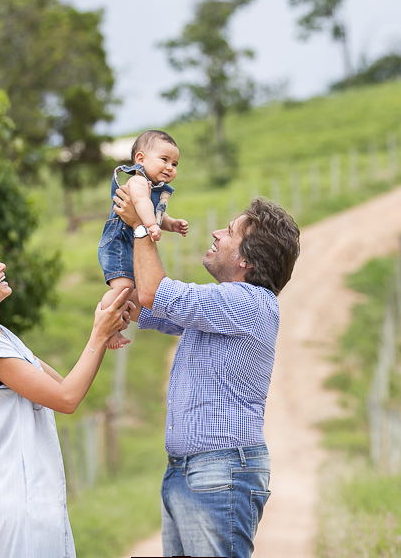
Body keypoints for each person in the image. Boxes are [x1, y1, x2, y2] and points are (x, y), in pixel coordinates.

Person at [112, 187, 301, 558]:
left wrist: (142, 228)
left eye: (230, 232)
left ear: (247, 260)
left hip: (220, 472)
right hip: (191, 471)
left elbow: (153, 294)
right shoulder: (221, 306)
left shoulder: (249, 303)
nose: (216, 234)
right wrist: (123, 228)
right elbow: (139, 303)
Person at [0, 236, 133, 557]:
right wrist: (98, 333)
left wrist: (103, 331)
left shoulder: (2, 338)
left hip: (38, 504)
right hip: (21, 510)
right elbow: (66, 398)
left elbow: (65, 385)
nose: (2, 266)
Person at [96, 129, 189, 349]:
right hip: (120, 244)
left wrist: (171, 224)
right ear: (140, 159)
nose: (170, 167)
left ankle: (114, 327)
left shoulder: (155, 188)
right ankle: (105, 326)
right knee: (123, 291)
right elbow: (142, 205)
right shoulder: (138, 181)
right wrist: (149, 226)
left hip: (132, 245)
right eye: (164, 160)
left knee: (131, 294)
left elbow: (158, 213)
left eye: (175, 164)